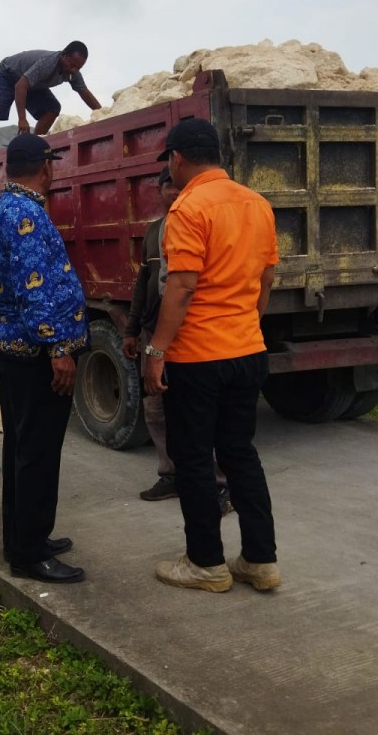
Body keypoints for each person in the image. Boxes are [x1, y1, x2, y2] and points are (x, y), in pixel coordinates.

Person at [142, 118, 281, 594]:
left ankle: (205, 562)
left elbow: (180, 286)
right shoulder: (257, 204)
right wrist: (246, 326)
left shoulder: (188, 208)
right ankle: (260, 561)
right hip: (247, 350)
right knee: (241, 453)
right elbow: (265, 282)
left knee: (195, 457)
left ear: (177, 160)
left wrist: (156, 350)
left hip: (198, 356)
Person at [0, 133, 89, 584]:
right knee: (38, 452)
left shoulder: (1, 209)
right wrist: (59, 348)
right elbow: (36, 288)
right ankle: (29, 553)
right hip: (35, 353)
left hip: (17, 350)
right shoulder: (26, 213)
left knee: (23, 448)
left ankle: (25, 538)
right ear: (45, 167)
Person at [122, 168, 231, 512]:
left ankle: (216, 483)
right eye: (166, 186)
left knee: (199, 411)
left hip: (193, 332)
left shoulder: (201, 221)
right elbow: (144, 283)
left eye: (176, 184)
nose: (172, 191)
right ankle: (169, 473)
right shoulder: (154, 231)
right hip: (154, 331)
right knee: (155, 408)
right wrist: (131, 329)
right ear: (159, 192)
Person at [0, 42, 102, 152]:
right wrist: (22, 119)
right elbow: (20, 86)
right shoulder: (47, 63)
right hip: (7, 74)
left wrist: (102, 114)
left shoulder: (73, 73)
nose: (73, 69)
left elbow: (84, 92)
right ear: (64, 55)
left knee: (52, 108)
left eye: (78, 68)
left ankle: (32, 144)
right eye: (72, 64)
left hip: (31, 84)